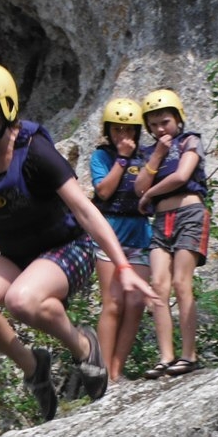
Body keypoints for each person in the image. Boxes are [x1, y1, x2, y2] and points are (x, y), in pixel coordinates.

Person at [0, 62, 159, 421]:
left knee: (23, 300)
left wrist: (122, 266)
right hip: (18, 256)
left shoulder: (34, 151)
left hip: (70, 247)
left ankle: (85, 346)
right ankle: (33, 366)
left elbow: (85, 211)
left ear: (4, 108)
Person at [134, 89, 210, 379]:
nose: (159, 129)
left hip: (189, 213)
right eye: (153, 125)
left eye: (164, 122)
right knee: (158, 287)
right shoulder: (151, 152)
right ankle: (166, 357)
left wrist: (150, 194)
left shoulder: (191, 140)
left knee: (181, 282)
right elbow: (139, 186)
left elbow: (182, 175)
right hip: (161, 218)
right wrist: (157, 155)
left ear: (178, 119)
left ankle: (189, 355)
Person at [90, 98, 152, 383]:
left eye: (127, 130)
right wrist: (122, 160)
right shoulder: (101, 157)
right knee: (113, 302)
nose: (122, 136)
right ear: (108, 130)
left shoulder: (148, 157)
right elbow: (103, 191)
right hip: (110, 235)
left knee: (136, 302)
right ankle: (104, 373)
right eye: (116, 130)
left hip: (140, 235)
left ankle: (116, 370)